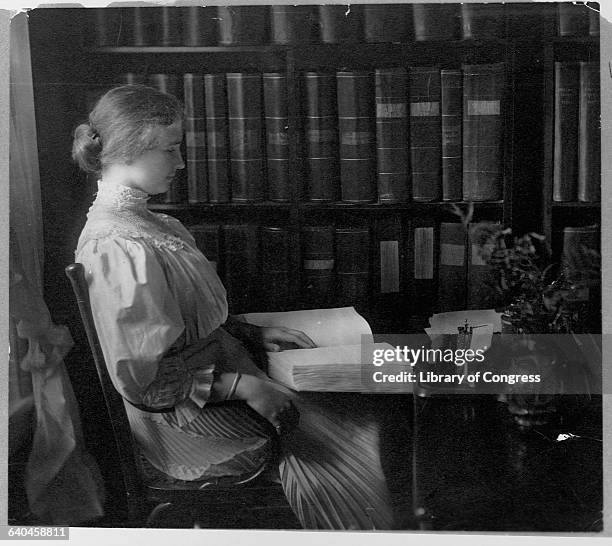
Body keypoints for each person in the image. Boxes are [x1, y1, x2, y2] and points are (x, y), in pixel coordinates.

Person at [72, 84, 393, 530]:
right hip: (183, 418)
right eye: (171, 150)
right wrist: (247, 387)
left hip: (215, 378)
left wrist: (249, 332)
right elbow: (148, 385)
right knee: (345, 428)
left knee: (359, 406)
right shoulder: (116, 245)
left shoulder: (151, 224)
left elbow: (184, 323)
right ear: (129, 149)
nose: (181, 163)